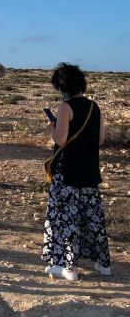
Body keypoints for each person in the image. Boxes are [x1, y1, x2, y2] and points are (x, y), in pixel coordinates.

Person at [42, 63, 110, 281]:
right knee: (92, 215)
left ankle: (68, 267)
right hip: (89, 169)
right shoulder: (94, 106)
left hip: (68, 169)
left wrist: (52, 128)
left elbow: (60, 139)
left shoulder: (65, 107)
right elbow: (100, 139)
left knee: (66, 216)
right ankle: (103, 263)